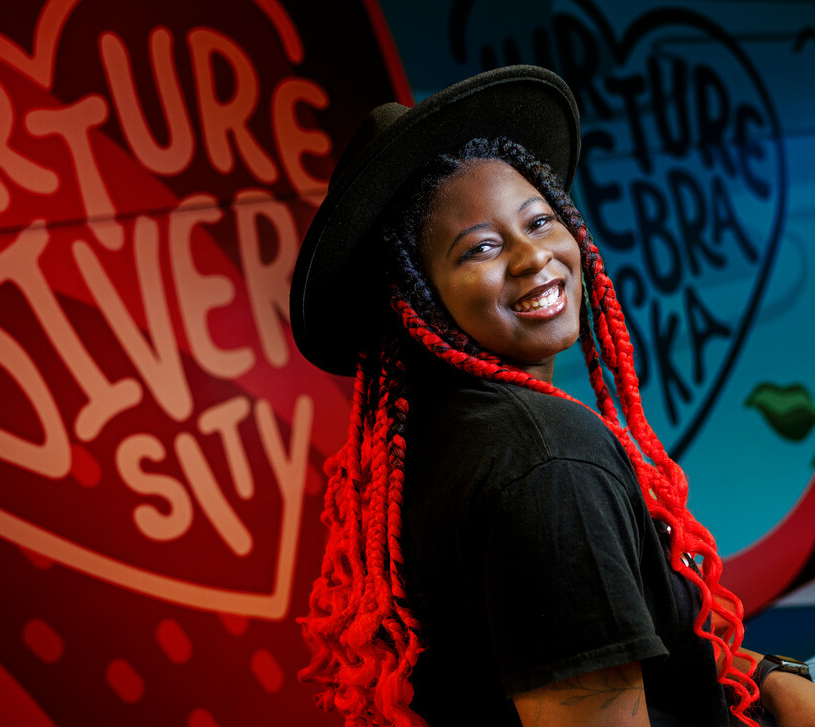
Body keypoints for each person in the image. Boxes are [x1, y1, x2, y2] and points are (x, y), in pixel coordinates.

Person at [289, 65, 815, 727]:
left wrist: (769, 676)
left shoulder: (442, 436)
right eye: (480, 246)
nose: (532, 256)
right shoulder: (545, 459)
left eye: (539, 220)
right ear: (416, 297)